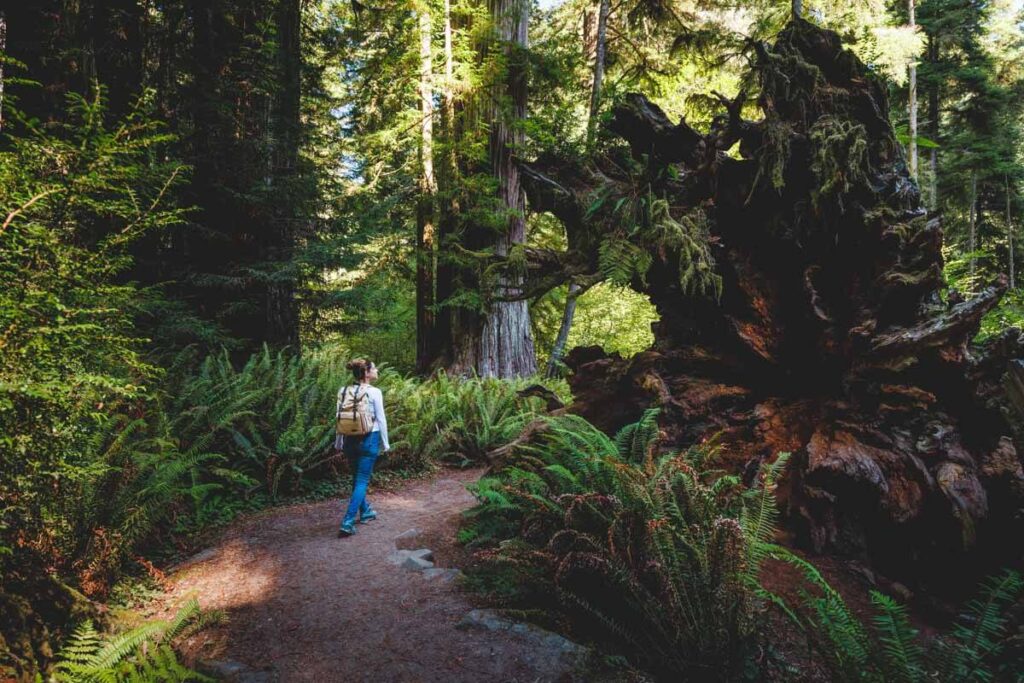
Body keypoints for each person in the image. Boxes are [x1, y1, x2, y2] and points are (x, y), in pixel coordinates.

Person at [335, 359, 389, 537]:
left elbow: (339, 418)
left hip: (349, 440)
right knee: (362, 481)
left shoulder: (343, 391)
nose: (376, 369)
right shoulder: (374, 392)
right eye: (374, 367)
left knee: (356, 479)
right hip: (369, 438)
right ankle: (348, 521)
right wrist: (386, 443)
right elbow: (381, 419)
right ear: (366, 373)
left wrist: (338, 442)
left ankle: (365, 511)